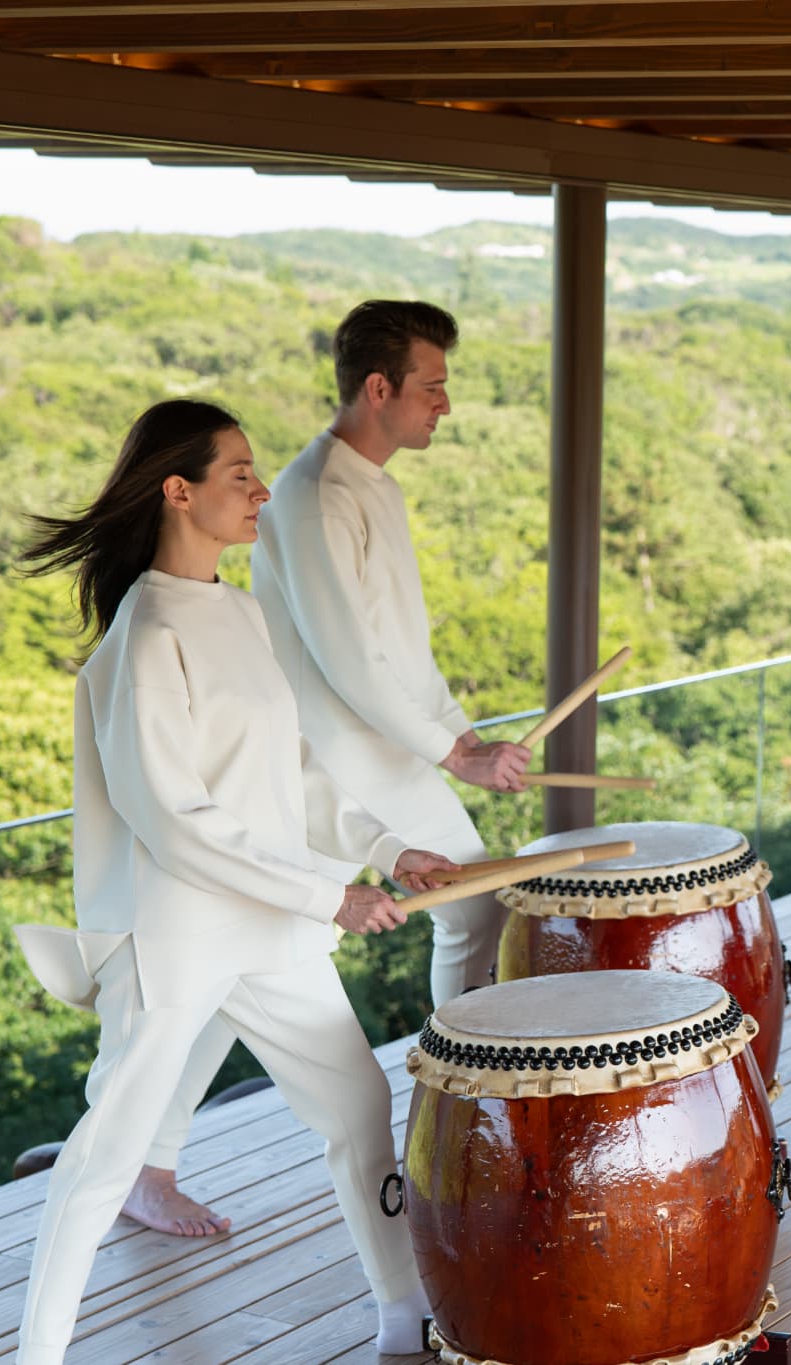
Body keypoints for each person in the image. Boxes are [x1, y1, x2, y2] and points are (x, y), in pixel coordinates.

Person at [15, 399, 452, 1362]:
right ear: (180, 490)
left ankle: (400, 1314)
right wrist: (330, 896)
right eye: (241, 474)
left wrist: (387, 846)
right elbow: (173, 819)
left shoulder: (239, 610)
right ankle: (37, 1353)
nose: (260, 490)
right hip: (181, 938)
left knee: (356, 1106)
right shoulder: (144, 634)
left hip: (274, 928)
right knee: (105, 1159)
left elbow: (292, 770)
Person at [251, 299, 529, 1006]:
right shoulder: (314, 495)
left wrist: (465, 740)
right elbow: (350, 662)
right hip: (336, 762)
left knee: (477, 906)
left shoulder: (376, 486)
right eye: (431, 386)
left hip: (388, 750)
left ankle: (470, 1083)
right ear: (381, 388)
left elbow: (405, 649)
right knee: (297, 950)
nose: (446, 404)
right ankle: (466, 1086)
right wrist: (455, 757)